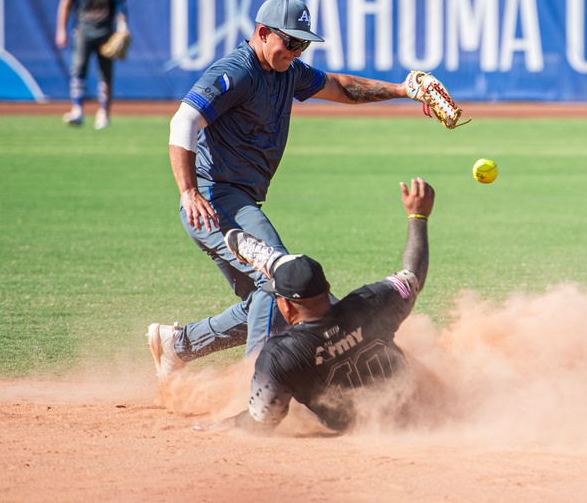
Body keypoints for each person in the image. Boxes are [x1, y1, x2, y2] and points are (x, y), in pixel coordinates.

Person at [146, 0, 441, 372]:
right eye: (291, 42)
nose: (296, 52)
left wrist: (404, 89)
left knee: (275, 300)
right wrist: (188, 192)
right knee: (281, 277)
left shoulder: (287, 72)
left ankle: (178, 344)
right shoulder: (238, 70)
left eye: (303, 44)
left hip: (239, 198)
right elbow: (183, 121)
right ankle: (254, 384)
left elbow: (340, 86)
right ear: (264, 33)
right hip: (216, 198)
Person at [169, 177, 433, 433]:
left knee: (299, 401)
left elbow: (262, 422)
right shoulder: (370, 304)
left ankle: (273, 264)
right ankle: (273, 263)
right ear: (328, 286)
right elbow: (414, 273)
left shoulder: (281, 356)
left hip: (351, 426)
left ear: (286, 306)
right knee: (333, 313)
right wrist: (417, 216)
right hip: (412, 406)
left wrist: (228, 423)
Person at [55, 0, 127, 130]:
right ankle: (77, 109)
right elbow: (66, 3)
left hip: (106, 31)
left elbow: (119, 5)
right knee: (78, 69)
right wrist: (61, 29)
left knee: (105, 74)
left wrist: (122, 25)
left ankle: (104, 112)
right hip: (83, 30)